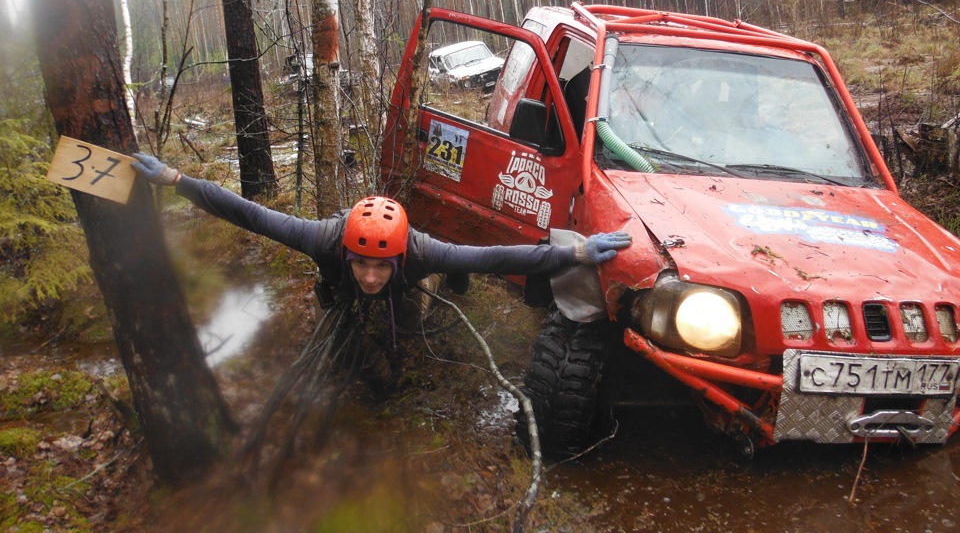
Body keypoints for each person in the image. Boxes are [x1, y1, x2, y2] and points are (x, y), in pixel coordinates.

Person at [131, 153, 631, 388]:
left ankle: (425, 305)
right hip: (336, 275)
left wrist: (577, 253)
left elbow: (499, 257)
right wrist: (177, 180)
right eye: (362, 266)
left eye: (379, 269)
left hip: (420, 273)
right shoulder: (322, 239)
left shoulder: (420, 253)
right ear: (347, 253)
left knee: (415, 313)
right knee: (340, 311)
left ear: (397, 259)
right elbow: (248, 213)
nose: (371, 277)